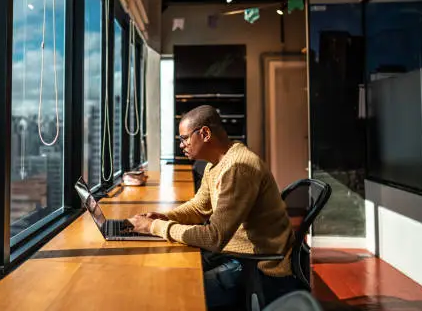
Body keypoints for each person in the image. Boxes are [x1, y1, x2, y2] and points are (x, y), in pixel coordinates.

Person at [128, 105, 299, 310]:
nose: (181, 145)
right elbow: (199, 208)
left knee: (176, 293)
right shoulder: (216, 164)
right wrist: (163, 217)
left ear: (205, 133)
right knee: (168, 273)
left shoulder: (238, 167)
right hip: (232, 252)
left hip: (257, 265)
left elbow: (214, 237)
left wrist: (154, 227)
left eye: (184, 138)